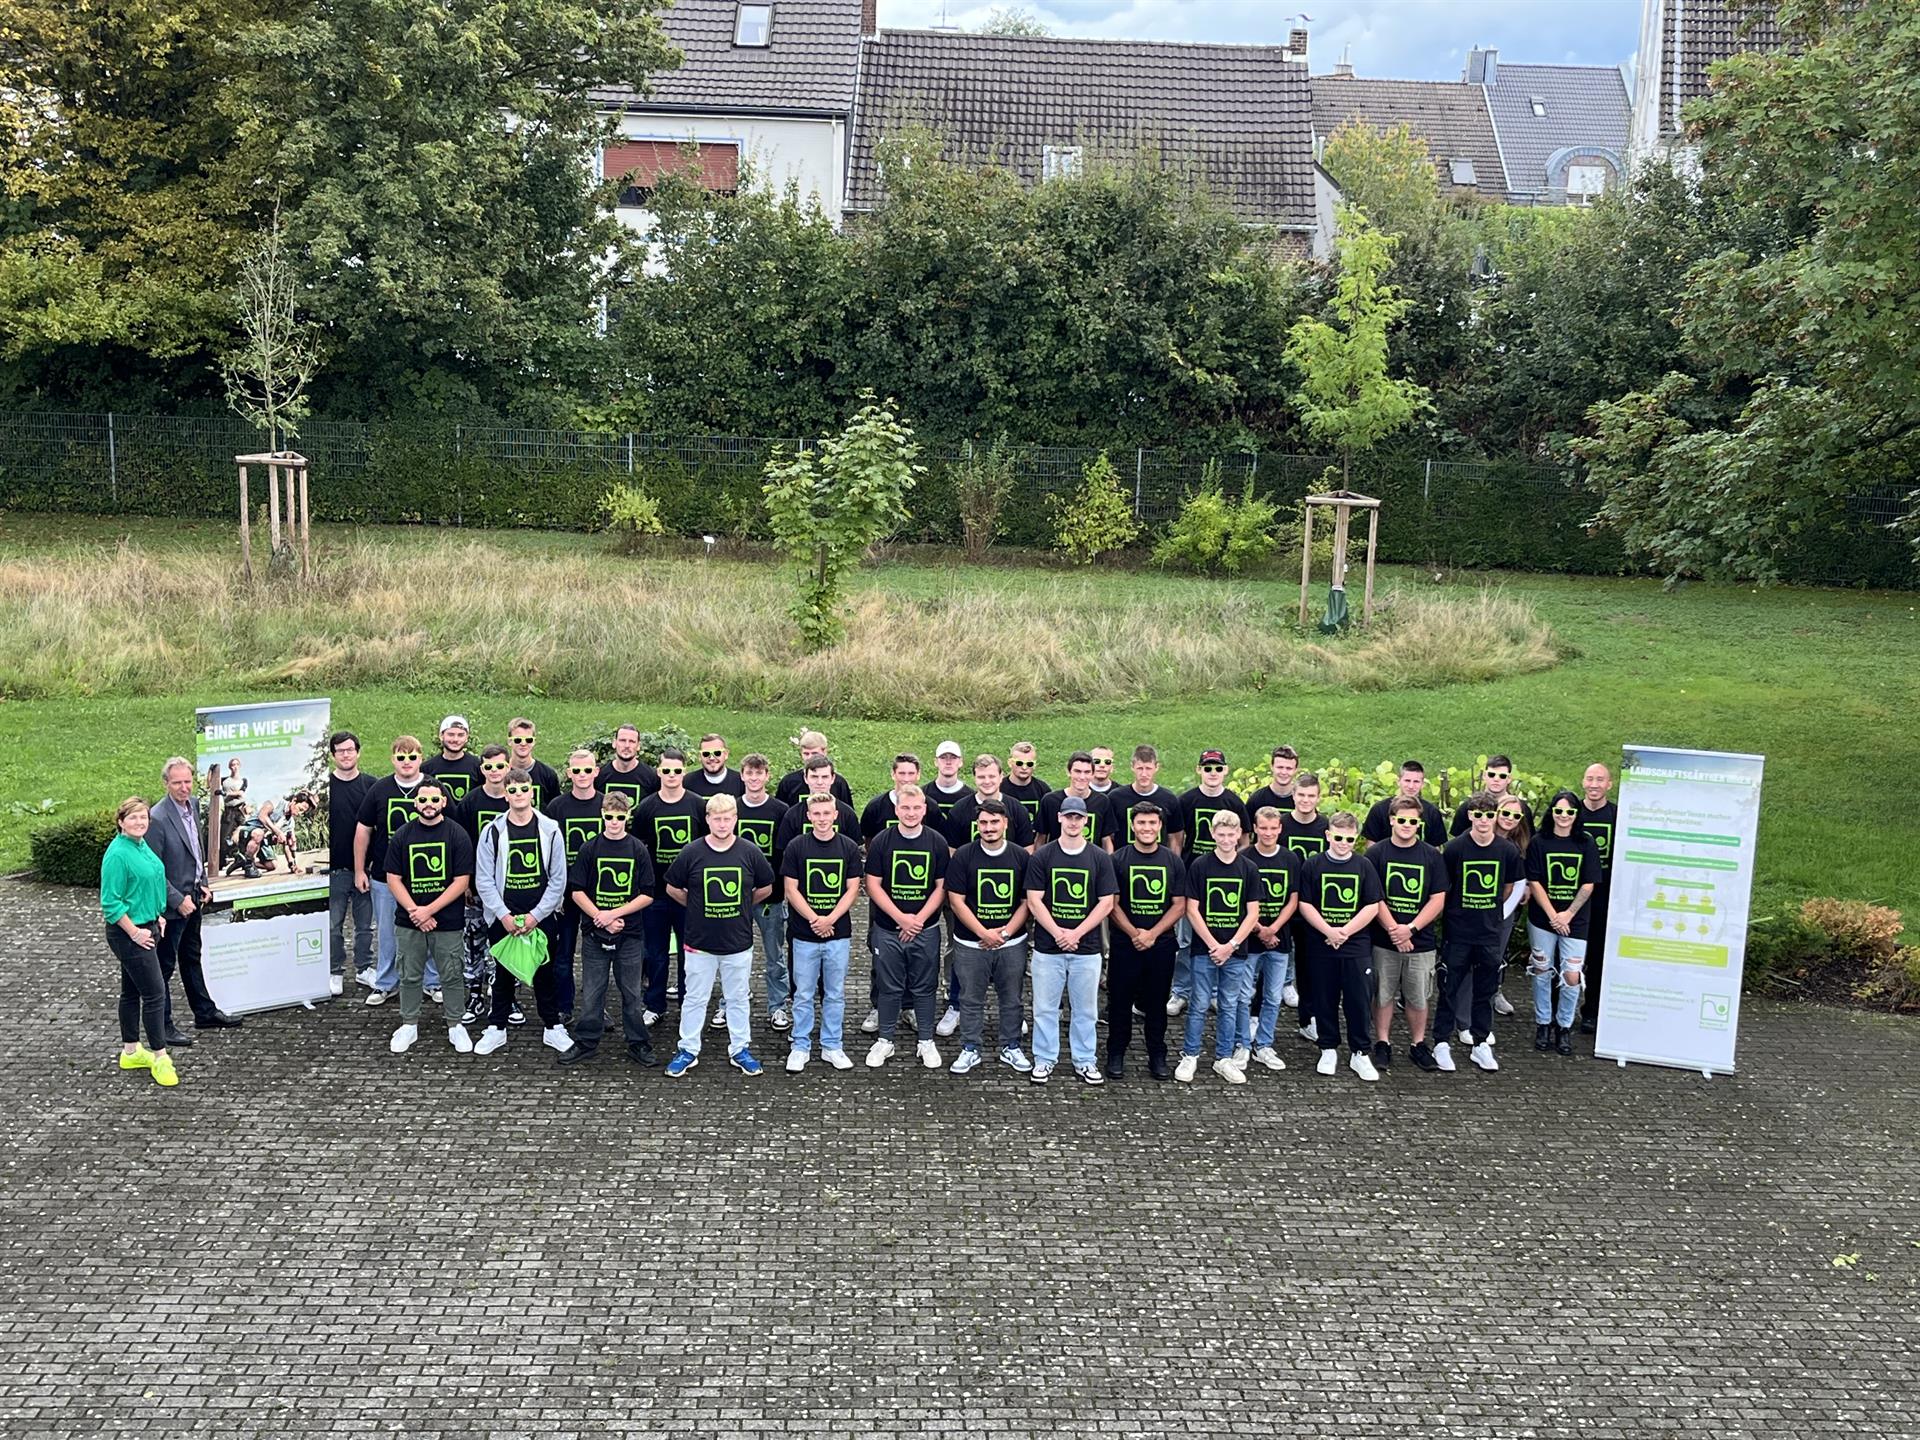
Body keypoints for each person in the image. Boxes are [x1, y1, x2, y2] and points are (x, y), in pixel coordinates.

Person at [662, 795, 775, 1078]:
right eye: (716, 818)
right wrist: (696, 905)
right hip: (699, 942)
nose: (722, 824)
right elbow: (672, 887)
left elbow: (766, 887)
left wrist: (744, 905)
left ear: (735, 819)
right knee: (695, 998)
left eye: (727, 818)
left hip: (737, 942)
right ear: (708, 820)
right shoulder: (692, 852)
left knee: (737, 998)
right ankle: (688, 1049)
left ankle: (740, 1049)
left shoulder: (749, 852)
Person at [472, 767, 573, 1057]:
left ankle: (552, 1027)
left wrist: (536, 916)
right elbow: (484, 878)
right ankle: (496, 1027)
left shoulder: (550, 828)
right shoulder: (492, 831)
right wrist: (503, 915)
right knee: (502, 974)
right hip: (503, 917)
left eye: (523, 789)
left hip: (540, 917)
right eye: (512, 790)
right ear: (505, 794)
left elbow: (558, 879)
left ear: (532, 792)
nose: (518, 794)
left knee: (545, 973)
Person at [560, 792, 657, 1068]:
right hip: (594, 934)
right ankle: (587, 1041)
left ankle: (638, 1042)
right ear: (602, 816)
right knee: (592, 992)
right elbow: (577, 891)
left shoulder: (638, 849)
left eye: (619, 817)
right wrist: (600, 918)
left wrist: (613, 914)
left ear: (627, 817)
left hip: (629, 934)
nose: (614, 822)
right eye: (609, 817)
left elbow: (647, 894)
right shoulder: (589, 849)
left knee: (632, 993)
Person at [1024, 795, 1116, 1086]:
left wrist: (1076, 934)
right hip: (1048, 948)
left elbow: (1106, 903)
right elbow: (1034, 900)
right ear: (1060, 819)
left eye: (1079, 817)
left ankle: (1085, 1060)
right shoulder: (1043, 856)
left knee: (1086, 1010)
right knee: (1045, 1008)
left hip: (1086, 948)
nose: (1073, 822)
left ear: (1085, 821)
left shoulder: (1099, 857)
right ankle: (1045, 1059)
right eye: (1068, 817)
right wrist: (1058, 933)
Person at [1433, 791, 1526, 1074]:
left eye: (1489, 815)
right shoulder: (1455, 849)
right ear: (1470, 816)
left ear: (1495, 816)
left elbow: (1510, 886)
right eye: (1478, 815)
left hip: (1488, 934)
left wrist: (1497, 915)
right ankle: (1441, 1043)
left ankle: (1480, 1043)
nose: (1484, 821)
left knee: (1485, 991)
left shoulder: (1506, 850)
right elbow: (1444, 888)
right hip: (1458, 932)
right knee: (1449, 988)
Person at [147, 757, 239, 1038]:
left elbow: (195, 850)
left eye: (187, 781)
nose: (184, 788)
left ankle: (204, 1013)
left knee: (192, 957)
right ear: (166, 784)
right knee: (164, 967)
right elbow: (153, 871)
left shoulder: (194, 805)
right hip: (172, 907)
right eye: (177, 783)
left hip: (195, 898)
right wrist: (177, 900)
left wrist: (203, 883)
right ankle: (162, 1028)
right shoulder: (157, 818)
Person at [383, 781, 474, 1055]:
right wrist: (416, 911)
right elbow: (393, 878)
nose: (429, 805)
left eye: (434, 799)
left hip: (447, 921)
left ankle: (455, 1024)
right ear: (416, 803)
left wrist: (429, 910)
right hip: (409, 920)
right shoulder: (403, 834)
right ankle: (409, 1024)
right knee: (409, 974)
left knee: (452, 974)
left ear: (444, 802)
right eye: (423, 800)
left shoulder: (457, 834)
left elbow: (461, 881)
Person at [944, 797, 1032, 1076]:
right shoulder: (964, 856)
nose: (989, 827)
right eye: (983, 822)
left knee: (1012, 998)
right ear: (977, 825)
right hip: (971, 943)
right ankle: (970, 1048)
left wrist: (1004, 933)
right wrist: (984, 933)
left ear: (1005, 823)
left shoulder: (1020, 856)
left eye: (995, 822)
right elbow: (956, 901)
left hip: (1012, 943)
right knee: (970, 998)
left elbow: (1027, 901)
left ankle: (1011, 1046)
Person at [863, 785, 950, 1069]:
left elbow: (941, 887)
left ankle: (926, 1040)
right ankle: (885, 1040)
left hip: (925, 929)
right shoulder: (882, 842)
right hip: (888, 929)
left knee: (925, 986)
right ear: (897, 809)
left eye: (916, 808)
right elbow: (872, 884)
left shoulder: (936, 841)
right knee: (889, 986)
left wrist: (918, 919)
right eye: (905, 808)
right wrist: (901, 918)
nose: (911, 813)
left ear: (924, 809)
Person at [1175, 810, 1261, 1086]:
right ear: (1213, 834)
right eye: (1221, 834)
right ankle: (1190, 1054)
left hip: (1236, 951)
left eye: (1231, 834)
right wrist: (1214, 944)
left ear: (1239, 835)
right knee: (1199, 1004)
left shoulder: (1248, 868)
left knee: (1229, 1004)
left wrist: (1232, 944)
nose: (1226, 839)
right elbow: (1192, 909)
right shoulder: (1200, 865)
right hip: (1205, 950)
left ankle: (1223, 1057)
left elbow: (1252, 913)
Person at [1298, 811, 1385, 1080]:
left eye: (1349, 838)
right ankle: (1328, 1048)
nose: (1343, 843)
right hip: (1322, 945)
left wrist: (1345, 931)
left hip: (1355, 946)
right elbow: (1305, 903)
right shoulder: (1312, 865)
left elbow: (1372, 905)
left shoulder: (1364, 866)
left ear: (1356, 838)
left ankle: (1360, 1052)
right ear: (1328, 835)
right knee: (1324, 997)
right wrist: (1328, 931)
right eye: (1338, 837)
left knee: (1358, 1000)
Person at [781, 792, 864, 1072]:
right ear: (808, 816)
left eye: (826, 813)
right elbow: (791, 889)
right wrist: (815, 918)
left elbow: (853, 889)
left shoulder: (849, 847)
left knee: (835, 993)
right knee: (803, 994)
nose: (822, 819)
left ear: (836, 815)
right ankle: (800, 1045)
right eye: (816, 814)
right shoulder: (796, 846)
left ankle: (832, 1045)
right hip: (803, 934)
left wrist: (830, 919)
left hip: (838, 934)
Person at [1366, 795, 1449, 1073]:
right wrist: (1394, 930)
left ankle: (1418, 1044)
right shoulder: (1377, 854)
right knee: (1383, 993)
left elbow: (1437, 899)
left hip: (1420, 941)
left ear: (1419, 823)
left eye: (1412, 821)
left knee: (1418, 997)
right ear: (1391, 820)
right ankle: (1382, 1043)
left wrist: (1410, 929)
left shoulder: (1431, 856)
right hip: (1383, 939)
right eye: (1401, 820)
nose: (1406, 825)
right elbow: (1374, 896)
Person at [1106, 801, 1187, 1080]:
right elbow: (1112, 904)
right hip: (1124, 944)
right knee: (1119, 1001)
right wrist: (1134, 933)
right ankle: (1116, 1052)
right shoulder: (1118, 859)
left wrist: (1151, 934)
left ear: (1160, 826)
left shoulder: (1172, 860)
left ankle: (1157, 1054)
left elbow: (1179, 905)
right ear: (1132, 825)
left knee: (1156, 1003)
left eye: (1152, 823)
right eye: (1141, 823)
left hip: (1161, 945)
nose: (1147, 828)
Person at [102, 796, 179, 1087]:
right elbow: (110, 903)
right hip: (130, 934)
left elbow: (151, 879)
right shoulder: (118, 854)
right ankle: (160, 1058)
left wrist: (158, 913)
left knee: (131, 991)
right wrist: (134, 932)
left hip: (149, 925)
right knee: (156, 993)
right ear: (121, 822)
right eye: (133, 818)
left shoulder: (140, 844)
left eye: (143, 817)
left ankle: (131, 1051)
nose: (139, 822)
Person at [355, 737, 434, 1008]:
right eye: (401, 757)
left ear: (421, 758)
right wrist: (359, 870)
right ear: (393, 760)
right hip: (385, 878)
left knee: (430, 931)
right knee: (388, 933)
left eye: (412, 757)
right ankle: (386, 983)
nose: (407, 762)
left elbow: (452, 827)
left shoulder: (432, 787)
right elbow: (363, 831)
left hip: (427, 879)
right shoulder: (380, 789)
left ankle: (431, 982)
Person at [1168, 749, 1248, 1018]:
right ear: (1198, 769)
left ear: (1225, 770)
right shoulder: (1187, 800)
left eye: (1217, 768)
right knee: (1186, 940)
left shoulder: (1235, 802)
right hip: (1194, 879)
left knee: (1220, 936)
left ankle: (1213, 993)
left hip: (1226, 882)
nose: (1212, 773)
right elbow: (1177, 839)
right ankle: (1181, 991)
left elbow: (1245, 841)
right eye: (1207, 767)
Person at [632, 749, 707, 1023]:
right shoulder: (647, 808)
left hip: (690, 895)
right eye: (666, 771)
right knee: (655, 952)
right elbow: (639, 852)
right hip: (656, 895)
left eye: (677, 771)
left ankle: (689, 1004)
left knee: (691, 954)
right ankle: (655, 1005)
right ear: (658, 772)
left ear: (684, 772)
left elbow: (706, 849)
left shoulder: (697, 805)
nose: (672, 776)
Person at [1527, 789, 1601, 1056]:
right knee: (1541, 970)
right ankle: (1543, 1023)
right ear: (1552, 813)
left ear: (1576, 815)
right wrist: (1553, 916)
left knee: (1571, 976)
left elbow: (1589, 883)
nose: (1563, 816)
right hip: (1543, 918)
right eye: (1558, 811)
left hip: (1575, 920)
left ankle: (1564, 1026)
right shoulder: (1539, 841)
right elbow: (1534, 881)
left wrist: (1568, 914)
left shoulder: (1586, 843)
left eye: (1569, 812)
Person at [455, 744, 518, 1026]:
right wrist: (466, 881)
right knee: (473, 942)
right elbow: (462, 843)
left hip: (508, 890)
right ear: (482, 770)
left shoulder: (515, 800)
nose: (495, 772)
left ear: (509, 767)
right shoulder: (470, 802)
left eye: (500, 766)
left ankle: (508, 997)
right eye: (489, 767)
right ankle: (475, 995)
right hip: (477, 888)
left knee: (507, 942)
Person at [543, 747, 605, 1022]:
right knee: (563, 953)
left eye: (587, 770)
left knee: (599, 956)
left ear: (596, 772)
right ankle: (564, 1006)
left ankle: (596, 1009)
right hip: (565, 892)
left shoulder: (606, 806)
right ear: (569, 773)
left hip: (599, 893)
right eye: (576, 770)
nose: (582, 775)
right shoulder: (557, 807)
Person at [733, 754, 791, 1032]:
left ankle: (777, 1005)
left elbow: (784, 856)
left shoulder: (781, 811)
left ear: (768, 776)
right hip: (735, 898)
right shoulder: (731, 809)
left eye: (760, 773)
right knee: (732, 954)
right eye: (749, 773)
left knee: (774, 954)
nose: (754, 778)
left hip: (772, 897)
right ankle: (730, 1003)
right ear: (741, 776)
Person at [1243, 807, 1302, 1073]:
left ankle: (1264, 1044)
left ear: (1280, 829)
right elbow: (1241, 903)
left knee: (1273, 996)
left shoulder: (1290, 859)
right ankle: (1243, 1043)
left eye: (1273, 828)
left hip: (1280, 940)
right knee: (1243, 996)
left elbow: (1293, 899)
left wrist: (1273, 928)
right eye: (1263, 828)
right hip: (1249, 941)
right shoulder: (1244, 858)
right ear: (1255, 828)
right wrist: (1259, 929)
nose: (1268, 833)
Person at [326, 731, 375, 997]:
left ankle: (364, 967)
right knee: (333, 925)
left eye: (350, 749)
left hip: (366, 869)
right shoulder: (324, 788)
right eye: (340, 750)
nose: (346, 754)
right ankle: (335, 971)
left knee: (365, 925)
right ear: (333, 755)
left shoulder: (371, 785)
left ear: (358, 752)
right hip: (333, 869)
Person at [1575, 763, 1618, 1034]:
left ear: (1609, 785)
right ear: (1583, 782)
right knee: (1569, 957)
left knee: (1598, 956)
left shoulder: (1617, 816)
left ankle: (1591, 1011)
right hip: (1571, 896)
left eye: (1600, 780)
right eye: (1590, 778)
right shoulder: (1570, 811)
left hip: (1605, 898)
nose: (1594, 784)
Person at [1487, 796, 1535, 1018]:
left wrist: (1524, 885)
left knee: (1497, 953)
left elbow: (1523, 875)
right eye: (1505, 813)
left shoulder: (1521, 844)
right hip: (1476, 906)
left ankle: (1493, 993)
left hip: (1506, 909)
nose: (1509, 819)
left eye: (1516, 816)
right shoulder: (1482, 836)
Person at [943, 754, 1037, 851]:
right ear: (974, 778)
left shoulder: (1018, 809)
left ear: (1001, 777)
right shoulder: (958, 810)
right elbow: (952, 851)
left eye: (992, 776)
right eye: (981, 777)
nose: (987, 781)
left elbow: (1027, 850)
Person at [774, 755, 862, 853]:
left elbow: (855, 852)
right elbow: (783, 854)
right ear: (806, 778)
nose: (819, 782)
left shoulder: (847, 814)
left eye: (825, 777)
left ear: (833, 779)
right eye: (814, 777)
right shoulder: (792, 815)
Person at [1112, 746, 1184, 857]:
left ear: (1156, 767)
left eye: (1148, 768)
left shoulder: (1169, 799)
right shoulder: (1116, 798)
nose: (1144, 774)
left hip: (1159, 862)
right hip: (1123, 863)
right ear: (1132, 767)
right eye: (1140, 768)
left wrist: (1174, 864)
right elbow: (1109, 837)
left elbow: (1175, 838)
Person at [1038, 751, 1115, 851]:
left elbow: (1106, 840)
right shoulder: (1050, 801)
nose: (1082, 777)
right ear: (1068, 772)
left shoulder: (1102, 801)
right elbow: (1041, 838)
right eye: (1077, 771)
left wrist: (1108, 864)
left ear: (1092, 774)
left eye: (1087, 772)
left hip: (1090, 862)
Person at [1362, 761, 1449, 846]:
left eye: (1416, 782)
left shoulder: (1432, 813)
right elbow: (1371, 847)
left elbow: (1436, 850)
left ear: (1423, 784)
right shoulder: (1379, 810)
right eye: (1407, 781)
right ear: (1398, 781)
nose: (1411, 786)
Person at [1450, 755, 1533, 835]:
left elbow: (1528, 839)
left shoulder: (1521, 809)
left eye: (1502, 776)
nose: (1496, 779)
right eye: (1491, 775)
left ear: (1509, 779)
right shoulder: (1468, 807)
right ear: (1484, 776)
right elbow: (1457, 841)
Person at [776, 730, 853, 808]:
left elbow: (847, 813)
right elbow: (780, 812)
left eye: (814, 753)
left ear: (824, 752)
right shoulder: (788, 782)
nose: (809, 758)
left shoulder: (839, 783)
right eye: (806, 754)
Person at [421, 714, 483, 805]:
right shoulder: (427, 768)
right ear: (441, 736)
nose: (455, 739)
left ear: (467, 737)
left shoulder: (478, 766)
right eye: (451, 734)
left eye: (460, 735)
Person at [596, 724, 660, 809]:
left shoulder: (652, 777)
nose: (627, 745)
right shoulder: (599, 775)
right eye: (622, 740)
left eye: (632, 741)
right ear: (614, 743)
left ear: (638, 746)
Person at [860, 754, 922, 841]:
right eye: (902, 773)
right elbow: (868, 840)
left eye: (911, 773)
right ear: (893, 774)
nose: (906, 779)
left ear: (918, 775)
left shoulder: (930, 807)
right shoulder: (875, 807)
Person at [505, 718, 562, 809]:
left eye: (528, 740)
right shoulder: (499, 773)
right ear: (509, 741)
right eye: (518, 740)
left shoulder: (548, 775)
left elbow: (556, 809)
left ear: (534, 742)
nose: (523, 743)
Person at [924, 740, 973, 831]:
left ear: (961, 762)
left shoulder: (970, 797)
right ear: (935, 762)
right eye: (943, 757)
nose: (948, 762)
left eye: (953, 757)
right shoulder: (923, 794)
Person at [1000, 742, 1047, 830]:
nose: (1024, 768)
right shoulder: (999, 788)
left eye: (1029, 764)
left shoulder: (1043, 790)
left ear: (1035, 765)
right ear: (1010, 763)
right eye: (1019, 763)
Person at [686, 733, 746, 801]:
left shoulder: (741, 782)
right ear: (700, 756)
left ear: (726, 754)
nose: (711, 758)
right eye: (706, 754)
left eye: (717, 753)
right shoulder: (687, 782)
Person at [1246, 745, 1300, 814]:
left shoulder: (1301, 801)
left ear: (1296, 770)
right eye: (1280, 767)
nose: (1284, 772)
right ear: (1271, 767)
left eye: (1289, 768)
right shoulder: (1256, 800)